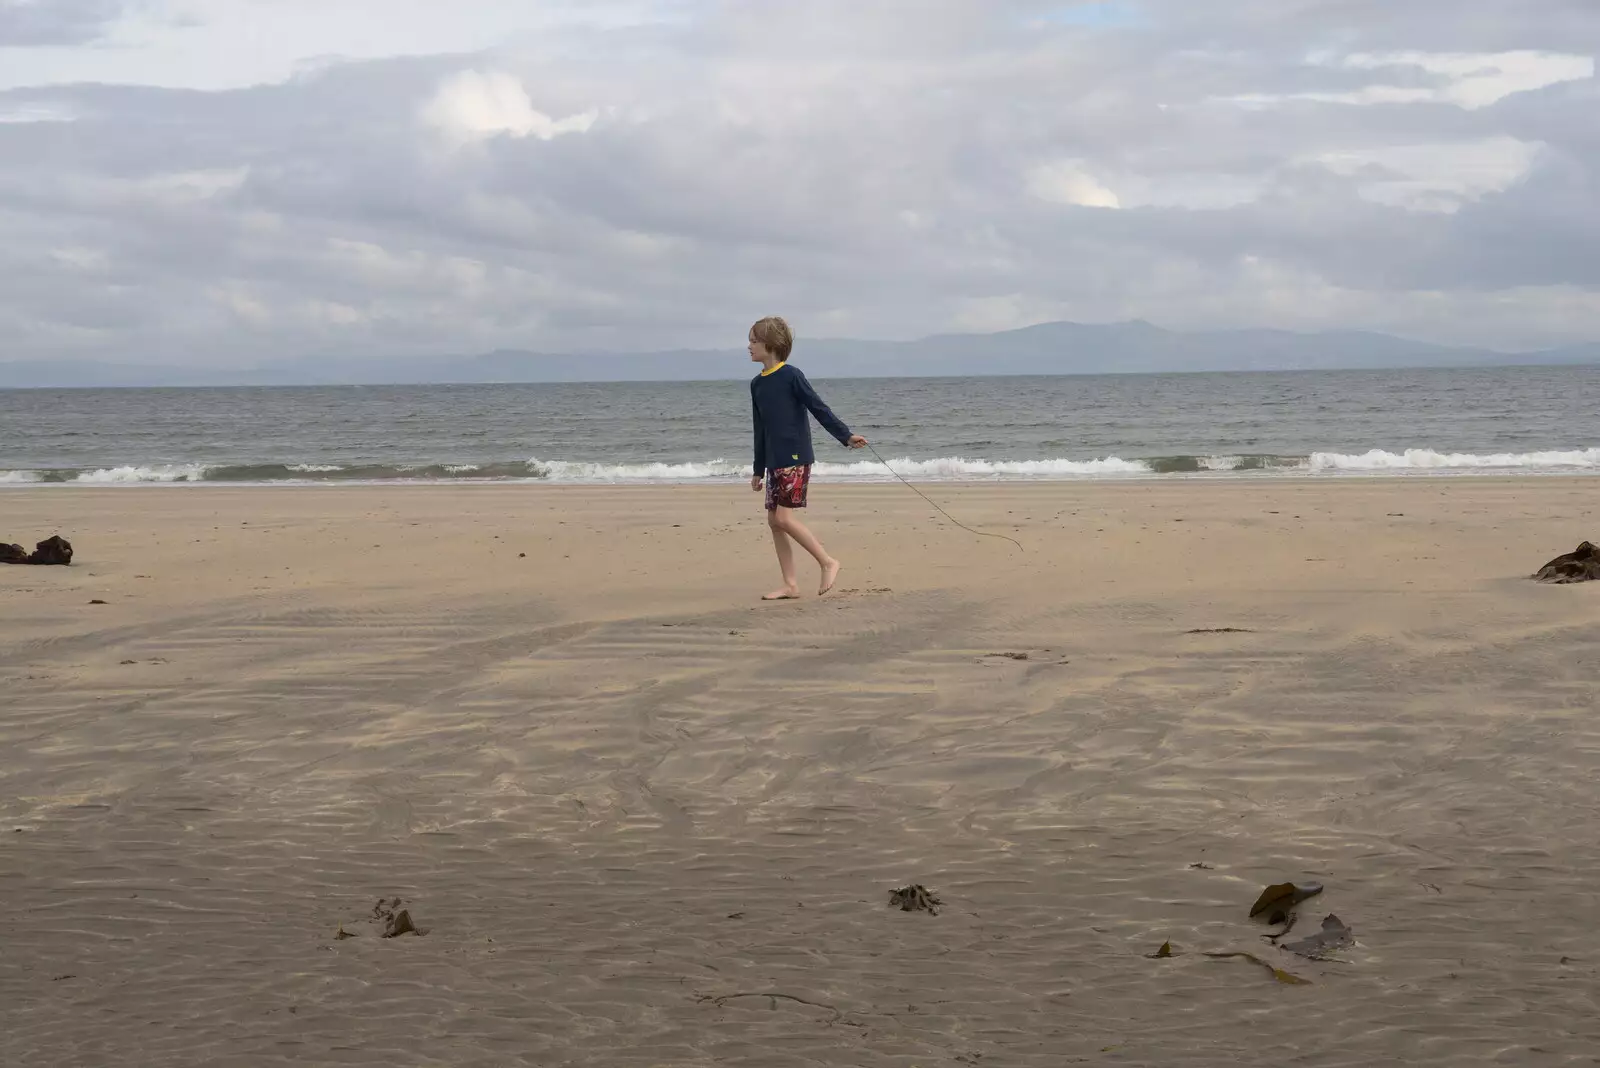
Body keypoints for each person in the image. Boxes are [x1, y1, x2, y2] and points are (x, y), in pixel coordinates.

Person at [747, 316, 867, 600]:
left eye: (754, 341)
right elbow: (759, 428)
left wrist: (846, 436)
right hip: (774, 459)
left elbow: (818, 407)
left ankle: (827, 562)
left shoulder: (791, 375)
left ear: (771, 343)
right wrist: (757, 468)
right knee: (773, 521)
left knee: (784, 518)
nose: (749, 347)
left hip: (795, 455)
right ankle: (790, 584)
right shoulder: (756, 384)